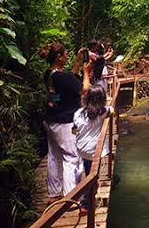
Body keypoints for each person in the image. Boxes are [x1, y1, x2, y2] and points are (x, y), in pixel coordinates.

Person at [40, 43, 91, 203]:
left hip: (51, 119)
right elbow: (84, 89)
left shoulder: (50, 74)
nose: (67, 56)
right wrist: (86, 72)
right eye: (66, 54)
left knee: (54, 156)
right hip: (64, 122)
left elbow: (69, 77)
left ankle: (54, 194)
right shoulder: (62, 77)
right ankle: (72, 196)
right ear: (59, 57)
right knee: (71, 157)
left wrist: (77, 62)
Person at [73, 84, 113, 208]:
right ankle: (86, 203)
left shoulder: (78, 113)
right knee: (93, 174)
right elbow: (112, 110)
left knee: (88, 169)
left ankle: (90, 191)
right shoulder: (102, 112)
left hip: (82, 149)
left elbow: (74, 130)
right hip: (94, 151)